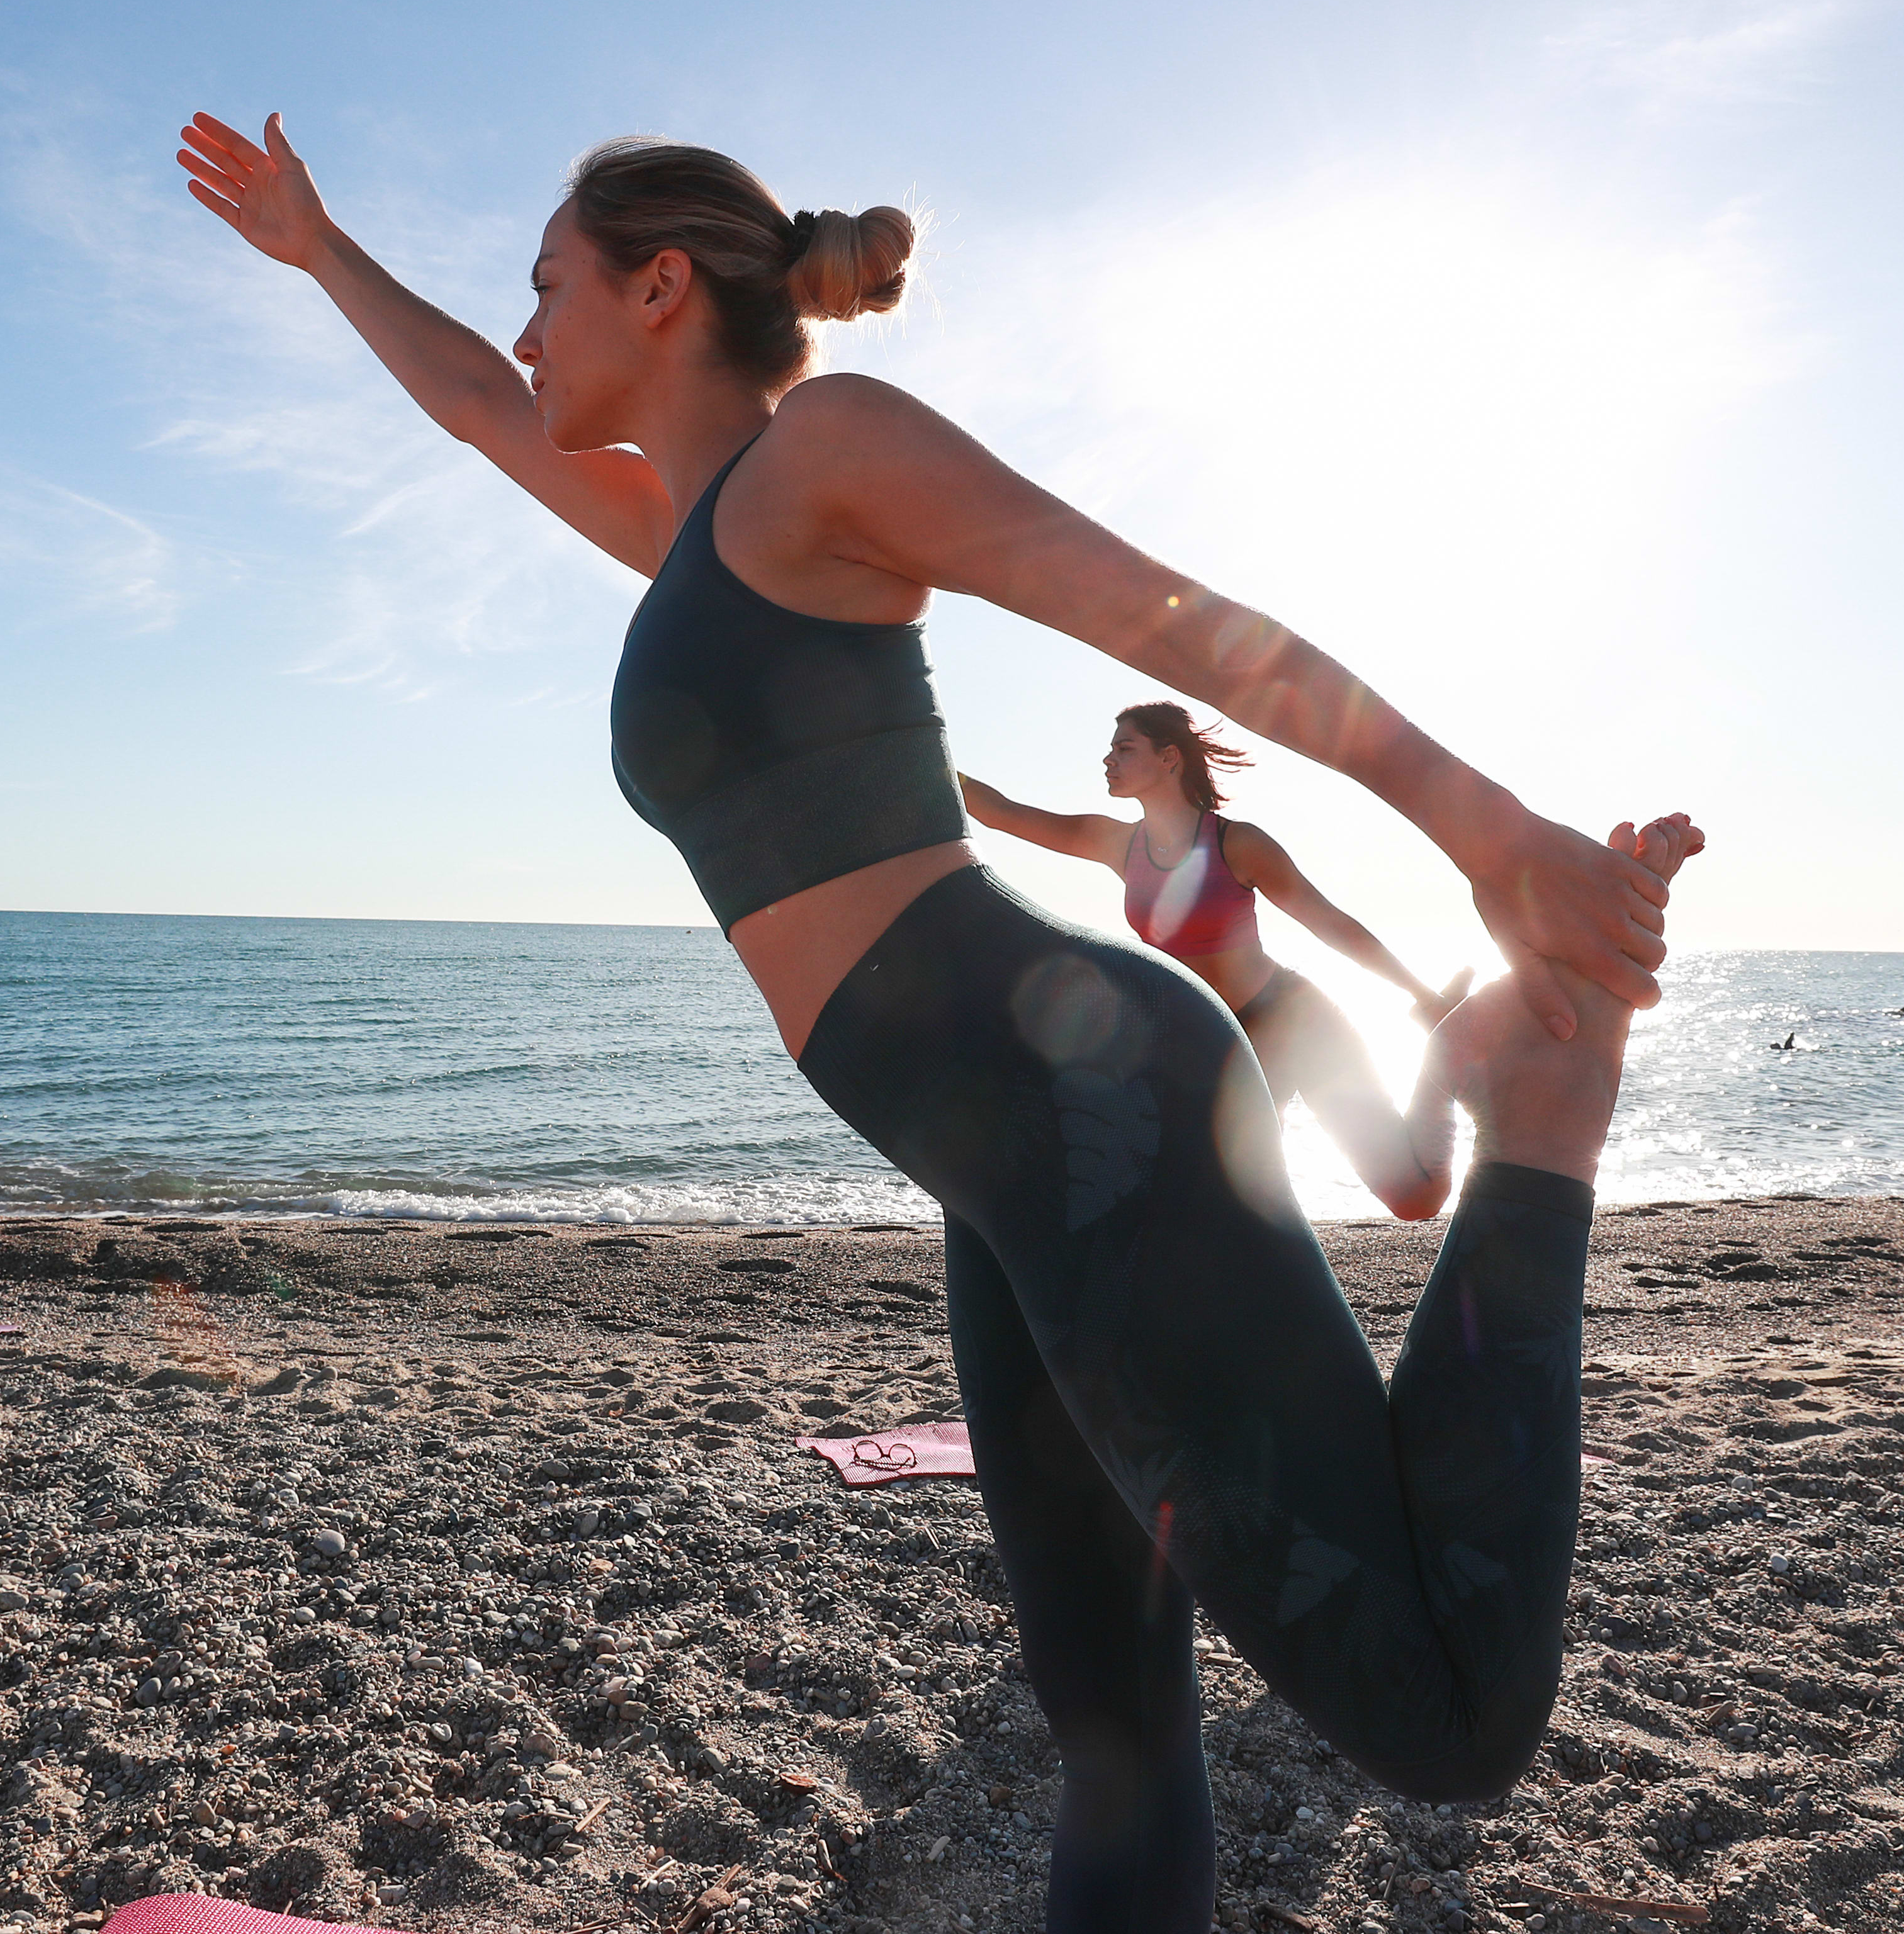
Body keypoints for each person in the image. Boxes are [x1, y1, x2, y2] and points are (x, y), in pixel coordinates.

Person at [177, 112, 1701, 1929]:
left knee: (1444, 1727)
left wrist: (1488, 836)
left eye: (546, 288)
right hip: (997, 1168)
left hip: (1093, 1120)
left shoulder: (827, 451)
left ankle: (1534, 1134)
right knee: (1110, 1718)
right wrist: (322, 246)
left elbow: (1174, 617)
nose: (525, 332)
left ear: (661, 287)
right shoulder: (684, 533)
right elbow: (469, 403)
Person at [962, 706, 1472, 1219]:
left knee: (1414, 1199)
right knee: (1206, 1193)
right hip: (1210, 1037)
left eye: (1124, 748)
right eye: (1111, 748)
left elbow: (1329, 922)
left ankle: (1441, 1061)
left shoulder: (1238, 843)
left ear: (1169, 758)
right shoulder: (1117, 843)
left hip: (1294, 1022)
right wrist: (910, 748)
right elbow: (1000, 811)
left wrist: (1421, 994)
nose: (1108, 759)